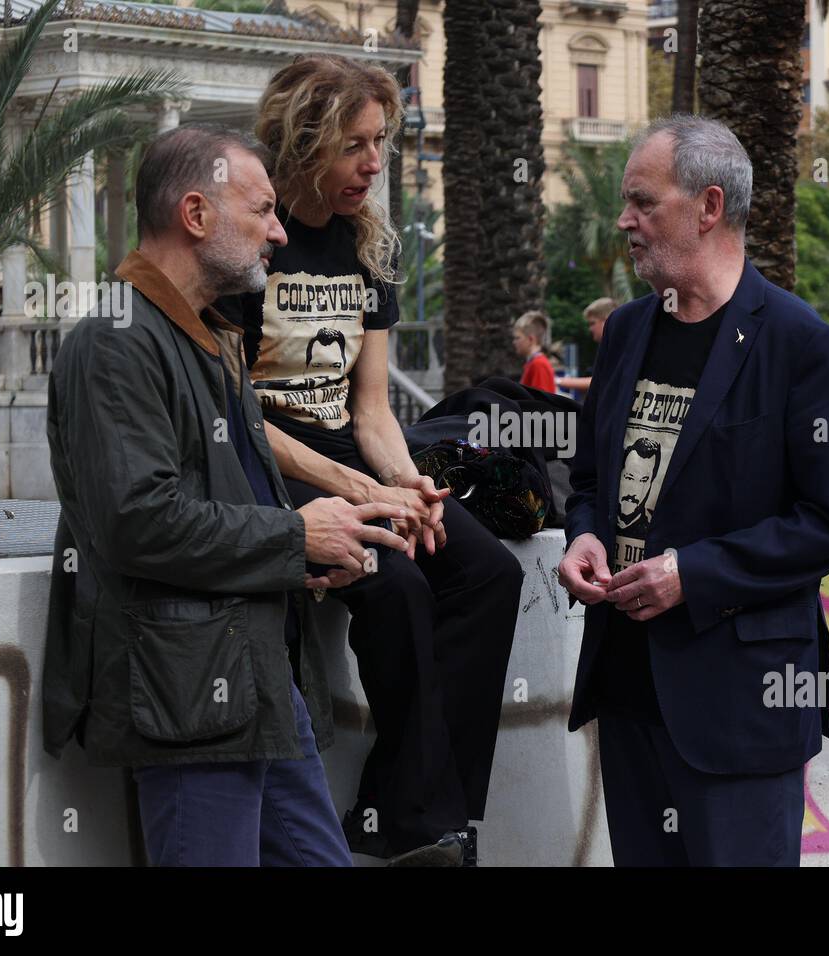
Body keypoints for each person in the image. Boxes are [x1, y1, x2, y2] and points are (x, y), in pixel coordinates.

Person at [42, 124, 411, 867]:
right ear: (196, 214)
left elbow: (225, 500)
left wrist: (309, 554)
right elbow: (136, 523)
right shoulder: (115, 341)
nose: (279, 231)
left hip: (259, 687)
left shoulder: (207, 336)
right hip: (188, 700)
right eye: (262, 210)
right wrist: (294, 538)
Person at [216, 53, 523, 867]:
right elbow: (235, 408)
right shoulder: (257, 238)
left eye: (381, 142)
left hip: (356, 461)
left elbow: (374, 410)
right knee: (398, 591)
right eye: (356, 144)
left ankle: (417, 810)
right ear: (304, 139)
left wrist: (409, 484)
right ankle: (425, 826)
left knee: (489, 575)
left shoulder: (364, 249)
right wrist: (350, 485)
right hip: (279, 474)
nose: (374, 165)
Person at [557, 115, 829, 867]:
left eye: (643, 202)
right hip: (629, 688)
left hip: (740, 704)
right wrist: (584, 534)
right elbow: (588, 478)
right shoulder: (629, 333)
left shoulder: (800, 345)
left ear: (708, 207)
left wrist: (691, 574)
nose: (624, 221)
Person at [556, 297, 616, 395]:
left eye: (592, 323)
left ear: (607, 320)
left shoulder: (619, 346)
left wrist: (557, 381)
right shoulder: (609, 346)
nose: (590, 329)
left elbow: (600, 380)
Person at [513, 310, 556, 393]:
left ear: (531, 339)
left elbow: (541, 403)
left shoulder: (539, 364)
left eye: (517, 338)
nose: (514, 342)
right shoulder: (533, 363)